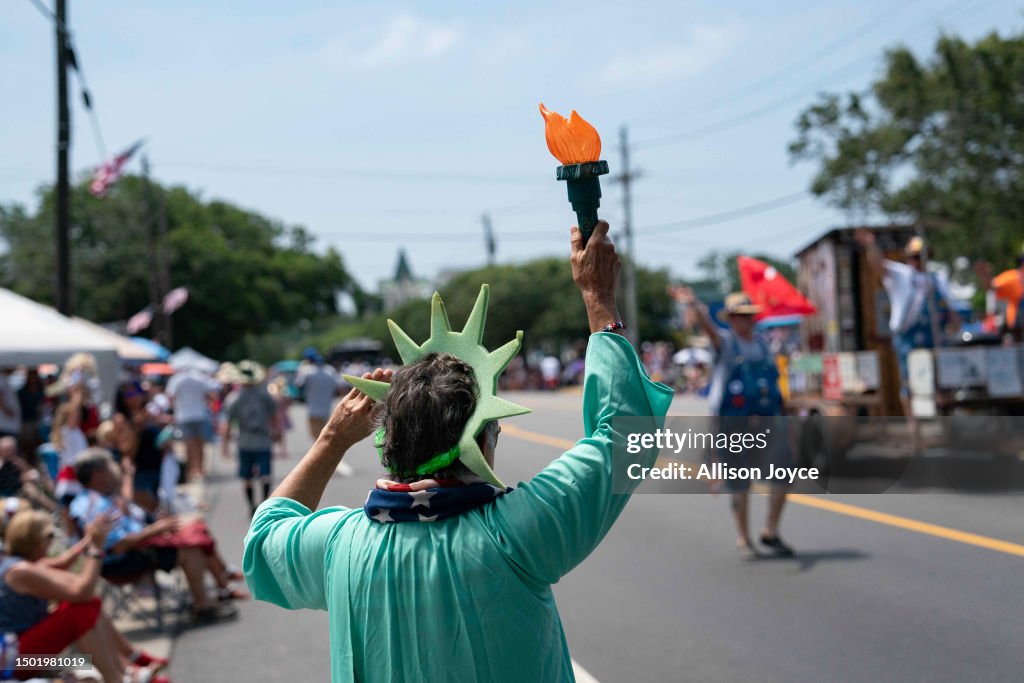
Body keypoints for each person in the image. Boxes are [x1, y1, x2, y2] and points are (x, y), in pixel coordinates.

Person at [244, 221, 674, 682]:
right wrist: (599, 298)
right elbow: (627, 433)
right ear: (482, 443)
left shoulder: (339, 546)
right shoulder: (516, 533)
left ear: (387, 442)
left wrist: (331, 439)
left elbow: (263, 544)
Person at [672, 286, 794, 558]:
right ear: (731, 319)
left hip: (768, 419)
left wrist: (786, 420)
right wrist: (694, 305)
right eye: (740, 316)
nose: (746, 320)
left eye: (749, 315)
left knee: (783, 473)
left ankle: (770, 531)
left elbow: (774, 384)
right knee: (740, 482)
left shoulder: (763, 344)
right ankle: (743, 538)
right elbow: (709, 329)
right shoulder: (725, 343)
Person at [70, 449, 245, 625]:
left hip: (137, 549)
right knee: (192, 549)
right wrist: (155, 529)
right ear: (98, 474)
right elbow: (118, 546)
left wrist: (155, 525)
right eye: (111, 466)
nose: (116, 469)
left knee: (195, 529)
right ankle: (203, 606)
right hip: (124, 562)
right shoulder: (95, 506)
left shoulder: (99, 498)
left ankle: (221, 588)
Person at [0, 509, 170, 682]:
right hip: (15, 663)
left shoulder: (22, 564)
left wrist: (90, 539)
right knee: (79, 614)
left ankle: (127, 667)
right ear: (33, 540)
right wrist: (96, 549)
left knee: (88, 605)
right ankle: (117, 677)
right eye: (50, 536)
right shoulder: (20, 571)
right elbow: (82, 592)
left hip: (21, 658)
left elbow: (64, 564)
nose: (52, 541)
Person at [855, 231, 960, 417]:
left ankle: (943, 419)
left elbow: (951, 308)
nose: (918, 261)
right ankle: (913, 425)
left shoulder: (938, 279)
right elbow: (878, 265)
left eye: (922, 256)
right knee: (909, 380)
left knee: (941, 378)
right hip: (908, 336)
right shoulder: (902, 274)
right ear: (909, 258)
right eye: (915, 257)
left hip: (934, 335)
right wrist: (871, 245)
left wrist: (955, 326)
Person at [222, 362, 280, 516]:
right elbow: (274, 416)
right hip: (263, 440)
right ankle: (265, 504)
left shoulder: (233, 398)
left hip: (244, 441)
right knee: (265, 475)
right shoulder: (265, 395)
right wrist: (276, 432)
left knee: (246, 477)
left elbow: (228, 423)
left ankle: (252, 506)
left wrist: (225, 445)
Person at [166, 369, 219, 481]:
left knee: (189, 444)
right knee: (200, 443)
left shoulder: (177, 379)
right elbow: (211, 394)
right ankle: (200, 468)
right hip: (199, 414)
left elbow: (170, 396)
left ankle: (191, 469)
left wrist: (174, 409)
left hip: (183, 416)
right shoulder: (200, 378)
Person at [294, 349, 340, 442]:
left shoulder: (307, 371)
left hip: (313, 410)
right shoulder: (330, 370)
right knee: (326, 437)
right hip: (327, 409)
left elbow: (298, 383)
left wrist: (301, 369)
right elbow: (338, 386)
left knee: (317, 439)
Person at [16, 369, 44, 455]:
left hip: (41, 420)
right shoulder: (22, 392)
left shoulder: (41, 390)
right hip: (26, 420)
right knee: (27, 441)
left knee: (39, 441)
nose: (33, 379)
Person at [0, 367, 21, 441]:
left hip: (8, 426)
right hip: (6, 427)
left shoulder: (5, 378)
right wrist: (8, 412)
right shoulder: (2, 378)